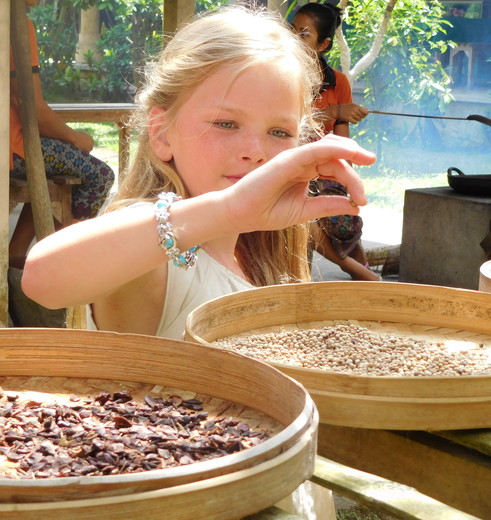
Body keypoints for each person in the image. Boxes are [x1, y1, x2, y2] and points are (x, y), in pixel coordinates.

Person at [22, 6, 375, 518]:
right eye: (226, 123)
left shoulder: (267, 245)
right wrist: (228, 209)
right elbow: (44, 277)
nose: (255, 151)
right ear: (162, 135)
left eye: (279, 133)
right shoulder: (156, 249)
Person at [9, 0, 115, 269]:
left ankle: (18, 252)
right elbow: (32, 108)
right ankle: (71, 257)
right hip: (9, 152)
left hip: (10, 147)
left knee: (47, 167)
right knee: (100, 175)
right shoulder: (16, 24)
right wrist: (76, 138)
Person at [292, 2, 379, 281]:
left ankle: (362, 272)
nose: (293, 39)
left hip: (325, 167)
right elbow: (284, 127)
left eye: (303, 34)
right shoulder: (283, 76)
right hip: (290, 164)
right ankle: (355, 269)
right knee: (307, 207)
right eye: (291, 30)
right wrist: (332, 112)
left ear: (324, 44)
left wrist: (347, 177)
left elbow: (342, 141)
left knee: (345, 211)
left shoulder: (337, 81)